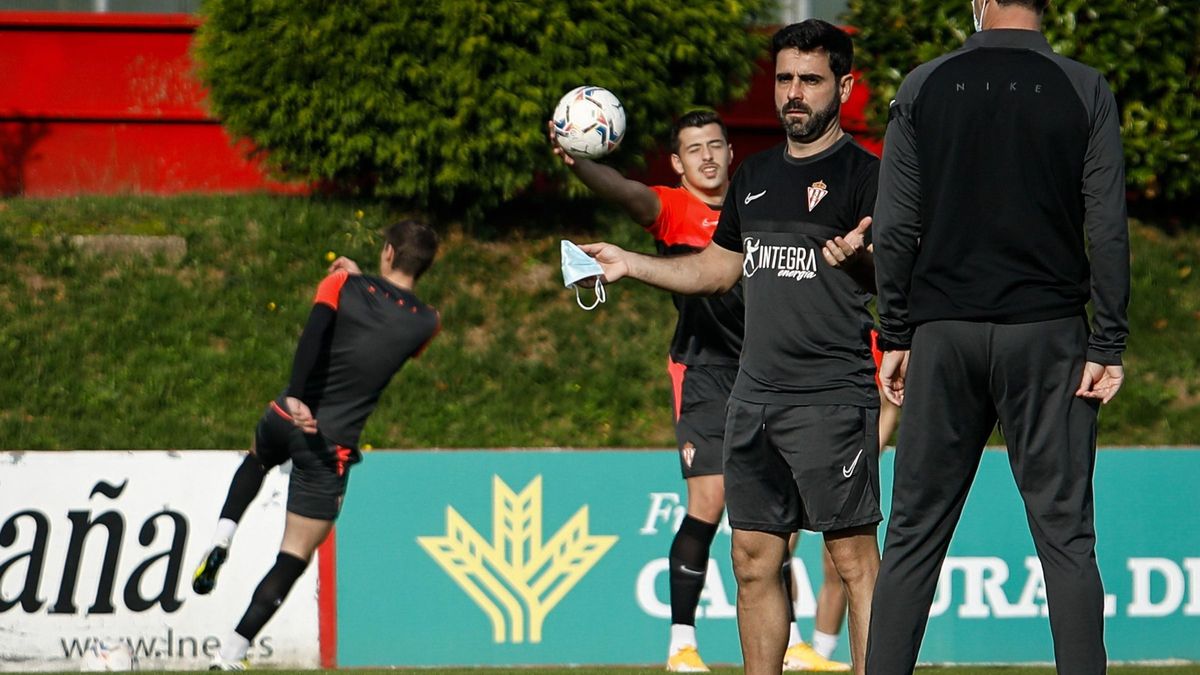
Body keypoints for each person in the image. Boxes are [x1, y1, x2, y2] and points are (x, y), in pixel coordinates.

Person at [577, 20, 882, 675]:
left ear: (845, 86)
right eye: (784, 80)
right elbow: (716, 269)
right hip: (754, 395)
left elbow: (901, 280)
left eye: (810, 79)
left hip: (831, 393)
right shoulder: (754, 176)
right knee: (750, 558)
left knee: (853, 558)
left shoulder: (867, 177)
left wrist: (864, 262)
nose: (793, 93)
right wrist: (633, 263)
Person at [866, 0, 1130, 673]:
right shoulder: (1083, 86)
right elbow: (1106, 227)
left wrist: (894, 329)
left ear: (981, 1)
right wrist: (1108, 341)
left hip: (944, 332)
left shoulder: (924, 84)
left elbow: (893, 227)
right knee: (1067, 539)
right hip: (1048, 335)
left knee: (912, 538)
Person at [190, 219, 441, 670]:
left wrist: (297, 396)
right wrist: (362, 281)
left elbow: (315, 335)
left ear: (387, 251)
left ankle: (222, 536)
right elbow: (382, 323)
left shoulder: (340, 282)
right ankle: (230, 655)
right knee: (294, 555)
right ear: (424, 265)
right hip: (330, 444)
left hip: (287, 414)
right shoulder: (426, 323)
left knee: (258, 458)